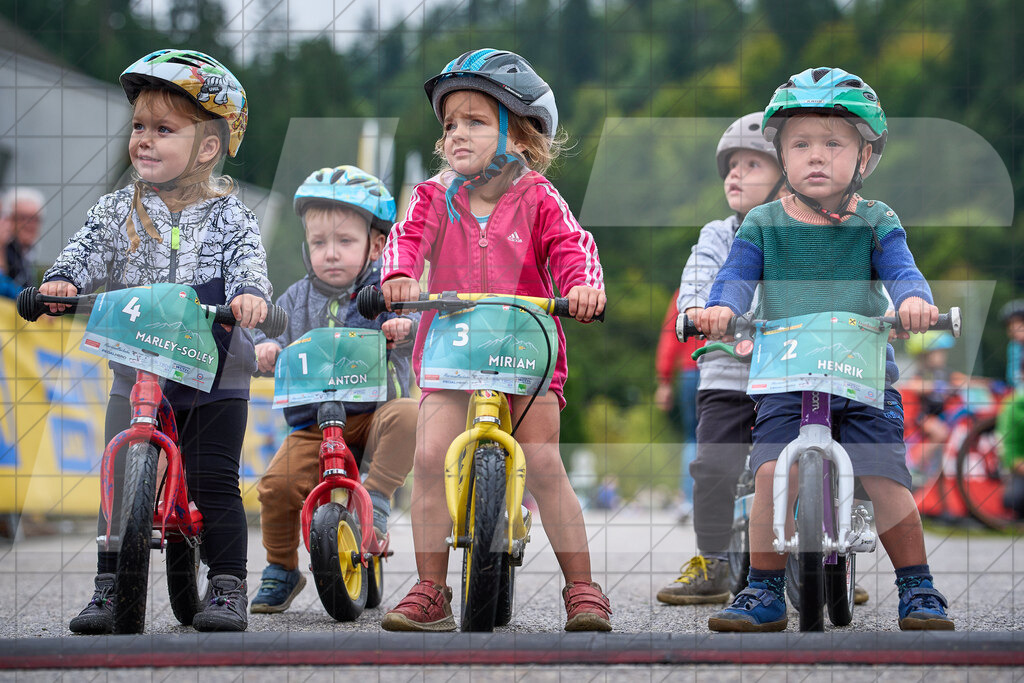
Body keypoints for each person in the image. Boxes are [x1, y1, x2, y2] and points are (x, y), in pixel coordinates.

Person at [697, 67, 954, 632]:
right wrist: (720, 308)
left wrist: (914, 302)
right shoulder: (762, 223)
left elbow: (903, 272)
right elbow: (737, 278)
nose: (817, 156)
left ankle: (918, 588)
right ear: (782, 156)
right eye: (801, 144)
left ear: (864, 157)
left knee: (886, 476)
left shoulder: (876, 219)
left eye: (834, 143)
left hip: (862, 374)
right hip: (786, 375)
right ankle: (762, 590)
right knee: (768, 474)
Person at [377, 48, 610, 632]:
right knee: (429, 460)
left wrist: (582, 287)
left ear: (521, 135)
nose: (457, 133)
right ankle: (431, 588)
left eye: (476, 122)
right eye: (451, 123)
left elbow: (572, 246)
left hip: (525, 349)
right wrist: (400, 276)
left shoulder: (538, 196)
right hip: (451, 352)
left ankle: (582, 589)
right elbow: (405, 240)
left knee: (544, 461)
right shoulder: (433, 196)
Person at [40, 49, 268, 633]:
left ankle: (226, 585)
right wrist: (62, 280)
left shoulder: (228, 215)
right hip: (137, 366)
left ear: (209, 146)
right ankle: (109, 587)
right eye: (139, 126)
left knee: (214, 479)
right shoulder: (119, 207)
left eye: (163, 129)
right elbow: (84, 249)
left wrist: (248, 294)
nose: (144, 139)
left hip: (214, 371)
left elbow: (249, 264)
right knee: (117, 473)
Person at [249, 165, 419, 614]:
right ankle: (282, 567)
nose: (331, 254)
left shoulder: (386, 293)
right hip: (315, 423)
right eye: (319, 243)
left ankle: (377, 497)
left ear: (376, 245)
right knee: (275, 488)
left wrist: (402, 326)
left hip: (371, 416)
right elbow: (271, 332)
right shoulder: (293, 299)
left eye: (345, 242)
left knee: (409, 415)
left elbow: (415, 325)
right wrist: (266, 347)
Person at [656, 112, 787, 605]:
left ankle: (824, 552)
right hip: (728, 370)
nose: (735, 174)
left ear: (785, 177)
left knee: (815, 452)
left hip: (790, 371)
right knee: (713, 465)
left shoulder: (804, 232)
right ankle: (712, 559)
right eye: (731, 165)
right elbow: (696, 281)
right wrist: (696, 309)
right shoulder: (717, 234)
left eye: (752, 164)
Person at [653, 290, 700, 521]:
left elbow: (670, 337)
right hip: (731, 366)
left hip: (692, 371)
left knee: (692, 437)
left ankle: (689, 503)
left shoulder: (686, 290)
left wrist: (665, 381)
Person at [0, 186, 44, 288]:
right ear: (8, 220)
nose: (30, 224)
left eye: (35, 219)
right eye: (23, 217)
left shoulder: (26, 254)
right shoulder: (6, 250)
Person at [1000, 300, 1024, 390]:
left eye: (1019, 327)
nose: (1014, 332)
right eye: (1010, 328)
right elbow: (1012, 375)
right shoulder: (1014, 346)